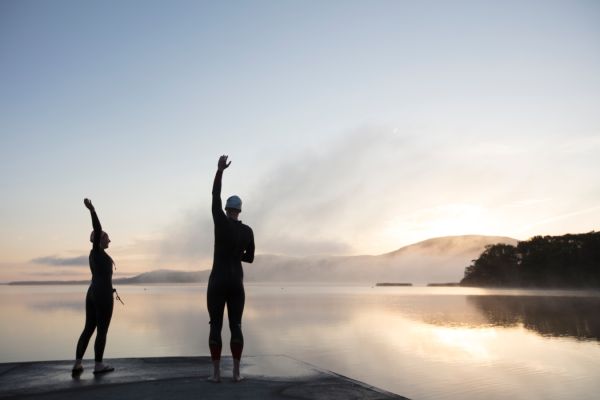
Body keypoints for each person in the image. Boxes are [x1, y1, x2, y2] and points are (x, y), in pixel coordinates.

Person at [207, 155, 255, 382]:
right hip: (237, 282)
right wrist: (237, 254)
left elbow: (214, 195)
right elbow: (251, 258)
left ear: (227, 209)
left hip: (217, 281)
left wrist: (219, 171)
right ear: (240, 211)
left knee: (215, 325)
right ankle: (236, 373)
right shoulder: (247, 231)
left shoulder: (220, 221)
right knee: (236, 325)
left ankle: (216, 374)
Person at [72, 198, 115, 376]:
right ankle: (98, 365)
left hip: (93, 292)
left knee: (89, 328)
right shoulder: (97, 252)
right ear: (99, 240)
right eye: (107, 238)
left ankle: (77, 364)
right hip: (101, 294)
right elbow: (97, 229)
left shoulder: (95, 255)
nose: (110, 241)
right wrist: (93, 210)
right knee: (102, 329)